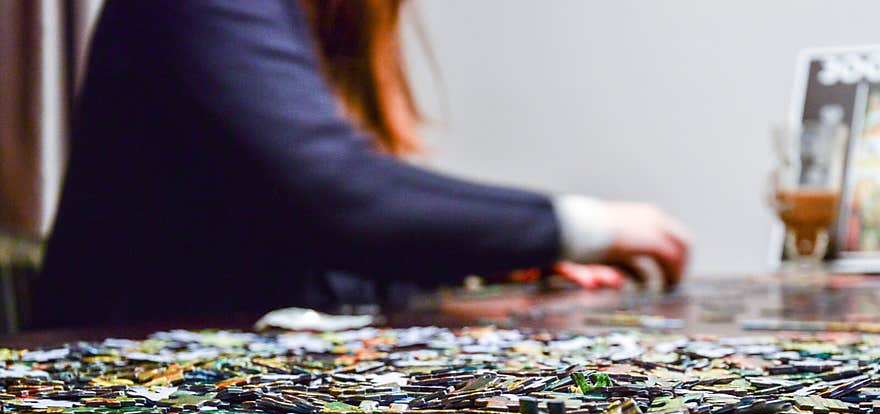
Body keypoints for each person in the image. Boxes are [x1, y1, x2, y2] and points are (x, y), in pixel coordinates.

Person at [33, 0, 690, 328]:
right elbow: (338, 194)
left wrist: (493, 253)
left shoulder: (311, 22)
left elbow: (309, 236)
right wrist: (586, 222)